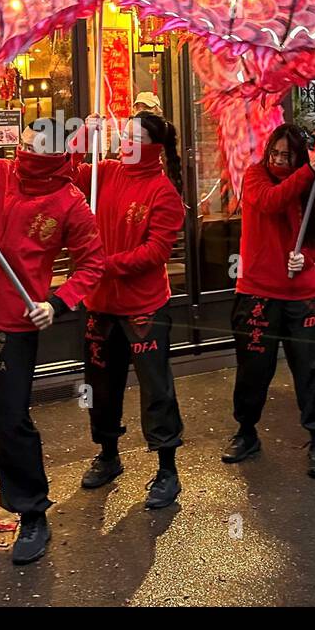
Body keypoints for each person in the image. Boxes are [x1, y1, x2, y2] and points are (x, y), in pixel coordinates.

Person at [0, 125, 105, 564]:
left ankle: (31, 511)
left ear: (52, 154)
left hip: (15, 324)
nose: (23, 151)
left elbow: (92, 263)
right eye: (22, 143)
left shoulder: (69, 203)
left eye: (32, 147)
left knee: (8, 420)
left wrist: (58, 302)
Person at [71, 113, 186, 509]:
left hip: (144, 309)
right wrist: (87, 131)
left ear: (153, 147)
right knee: (101, 386)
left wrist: (106, 265)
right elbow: (66, 169)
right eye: (124, 135)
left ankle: (167, 467)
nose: (124, 142)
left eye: (134, 138)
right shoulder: (105, 172)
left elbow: (156, 252)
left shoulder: (163, 192)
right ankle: (107, 454)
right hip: (100, 304)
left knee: (156, 389)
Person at [221, 125, 315, 478]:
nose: (280, 160)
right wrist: (307, 171)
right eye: (276, 153)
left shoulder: (311, 183)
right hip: (257, 291)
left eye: (288, 156)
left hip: (302, 295)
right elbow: (271, 201)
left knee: (313, 369)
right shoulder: (256, 176)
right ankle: (247, 431)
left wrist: (308, 257)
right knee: (254, 369)